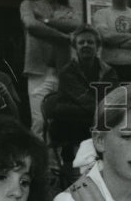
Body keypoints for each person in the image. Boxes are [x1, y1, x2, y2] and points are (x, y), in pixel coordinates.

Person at [19, 0, 80, 140]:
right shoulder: (28, 4)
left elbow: (75, 25)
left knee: (59, 122)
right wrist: (65, 37)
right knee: (39, 122)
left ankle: (55, 166)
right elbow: (31, 25)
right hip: (39, 71)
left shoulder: (68, 10)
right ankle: (39, 165)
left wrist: (45, 21)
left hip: (63, 73)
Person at [50, 24, 121, 166]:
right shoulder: (67, 72)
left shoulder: (109, 71)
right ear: (75, 47)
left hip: (96, 119)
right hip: (70, 125)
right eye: (81, 42)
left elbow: (113, 100)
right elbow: (85, 100)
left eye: (90, 42)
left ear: (97, 46)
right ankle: (73, 168)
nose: (86, 45)